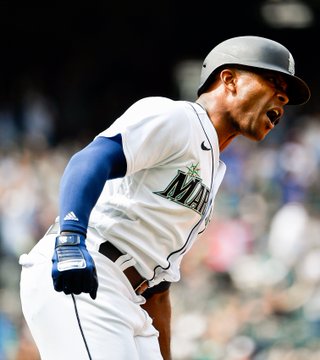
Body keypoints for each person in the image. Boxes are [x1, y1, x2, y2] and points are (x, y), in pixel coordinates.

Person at [19, 35, 310, 360]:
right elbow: (91, 159)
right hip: (88, 274)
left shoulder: (213, 170)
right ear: (229, 80)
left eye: (286, 96)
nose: (282, 98)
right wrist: (71, 239)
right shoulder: (178, 118)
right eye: (273, 82)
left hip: (132, 297)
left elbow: (158, 290)